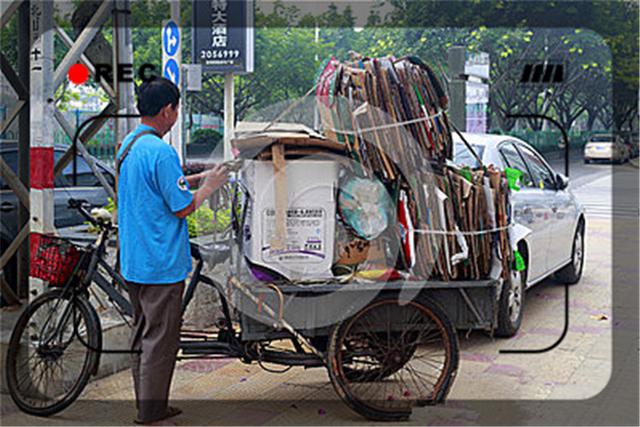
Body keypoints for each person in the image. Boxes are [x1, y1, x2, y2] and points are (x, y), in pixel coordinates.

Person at [116, 76, 228, 426]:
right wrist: (209, 187)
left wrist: (196, 177)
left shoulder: (130, 145)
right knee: (160, 343)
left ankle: (150, 406)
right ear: (167, 110)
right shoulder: (162, 152)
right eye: (177, 109)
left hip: (134, 260)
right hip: (160, 262)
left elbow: (160, 186)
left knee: (143, 336)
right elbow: (182, 208)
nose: (177, 115)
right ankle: (151, 415)